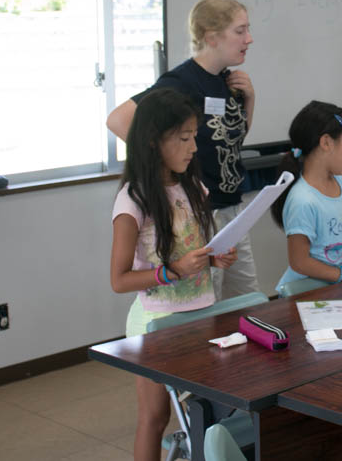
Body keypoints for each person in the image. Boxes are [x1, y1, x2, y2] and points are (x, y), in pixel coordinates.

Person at [108, 88, 237, 461]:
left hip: (201, 315)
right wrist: (172, 272)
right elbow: (119, 280)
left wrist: (213, 260)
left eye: (194, 135)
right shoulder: (133, 200)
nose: (193, 147)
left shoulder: (193, 187)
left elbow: (192, 249)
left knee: (207, 411)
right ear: (152, 141)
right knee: (155, 415)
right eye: (183, 138)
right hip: (156, 323)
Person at [107, 0, 259, 300]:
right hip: (203, 209)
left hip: (232, 207)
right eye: (240, 31)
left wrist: (250, 99)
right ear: (212, 37)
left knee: (247, 299)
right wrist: (171, 172)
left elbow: (229, 141)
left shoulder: (229, 80)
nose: (249, 39)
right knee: (207, 299)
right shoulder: (180, 82)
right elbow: (119, 120)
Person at [271, 101, 342, 293]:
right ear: (326, 143)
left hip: (337, 285)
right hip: (307, 291)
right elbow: (299, 262)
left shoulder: (340, 180)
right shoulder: (302, 200)